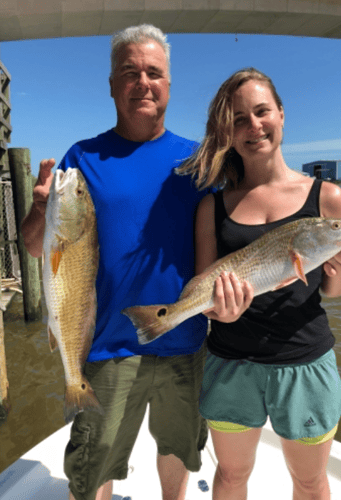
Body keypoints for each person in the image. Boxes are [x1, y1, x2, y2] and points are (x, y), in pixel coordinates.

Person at [21, 24, 209, 500]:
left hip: (182, 339)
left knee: (179, 447)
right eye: (129, 72)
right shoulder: (81, 159)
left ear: (168, 84)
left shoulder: (198, 162)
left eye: (153, 72)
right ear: (111, 85)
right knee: (95, 462)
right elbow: (35, 247)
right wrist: (41, 208)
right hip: (106, 345)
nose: (142, 82)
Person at [178, 67, 341, 500]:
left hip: (305, 362)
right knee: (230, 478)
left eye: (262, 112)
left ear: (281, 113)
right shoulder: (212, 206)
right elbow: (204, 290)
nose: (253, 126)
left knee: (311, 481)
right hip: (230, 362)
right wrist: (218, 309)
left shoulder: (327, 197)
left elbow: (335, 291)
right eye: (239, 118)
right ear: (228, 131)